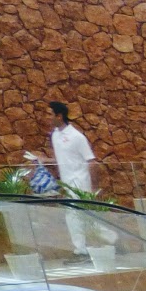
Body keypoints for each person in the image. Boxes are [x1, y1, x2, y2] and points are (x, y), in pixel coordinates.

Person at [46, 100, 115, 258]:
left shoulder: (77, 137)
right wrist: (43, 160)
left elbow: (91, 161)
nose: (47, 117)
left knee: (77, 216)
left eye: (50, 114)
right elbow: (63, 158)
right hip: (67, 184)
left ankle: (82, 250)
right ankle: (110, 240)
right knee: (78, 216)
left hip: (80, 183)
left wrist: (93, 186)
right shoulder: (55, 135)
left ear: (59, 116)